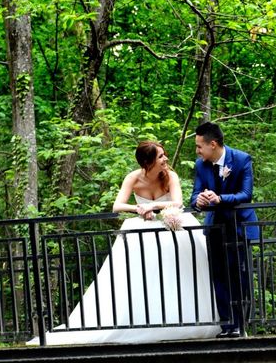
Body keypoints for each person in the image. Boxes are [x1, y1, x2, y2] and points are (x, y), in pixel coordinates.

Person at [28, 141, 220, 346]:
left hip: (172, 226)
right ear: (148, 162)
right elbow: (117, 205)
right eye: (161, 156)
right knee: (140, 278)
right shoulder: (133, 177)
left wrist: (154, 205)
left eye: (164, 155)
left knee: (178, 273)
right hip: (143, 227)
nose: (165, 160)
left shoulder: (170, 175)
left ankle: (185, 319)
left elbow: (178, 202)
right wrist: (138, 208)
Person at [190, 122, 259, 338]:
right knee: (219, 277)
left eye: (199, 146)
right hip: (215, 228)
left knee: (239, 276)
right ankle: (227, 325)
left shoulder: (241, 159)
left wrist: (220, 199)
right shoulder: (201, 165)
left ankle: (241, 324)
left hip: (238, 227)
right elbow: (194, 195)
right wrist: (199, 201)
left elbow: (246, 194)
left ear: (213, 144)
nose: (197, 151)